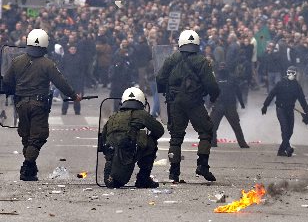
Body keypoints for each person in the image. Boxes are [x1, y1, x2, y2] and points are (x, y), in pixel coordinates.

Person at [3, 29, 82, 181]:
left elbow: (6, 81)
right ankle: (27, 167)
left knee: (26, 136)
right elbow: (61, 83)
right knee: (37, 137)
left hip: (20, 104)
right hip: (38, 104)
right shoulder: (48, 64)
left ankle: (31, 168)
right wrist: (73, 96)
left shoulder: (17, 61)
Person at [157, 29, 220, 183]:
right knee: (206, 131)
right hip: (194, 101)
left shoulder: (172, 58)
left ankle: (174, 171)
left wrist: (165, 92)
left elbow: (160, 78)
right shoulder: (202, 61)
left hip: (174, 102)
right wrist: (213, 96)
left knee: (176, 136)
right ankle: (202, 165)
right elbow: (211, 84)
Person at [101, 87, 164, 188]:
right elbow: (159, 130)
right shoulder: (141, 114)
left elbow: (103, 138)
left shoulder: (114, 116)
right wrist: (145, 139)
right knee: (150, 142)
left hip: (112, 152)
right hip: (129, 152)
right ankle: (143, 179)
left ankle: (112, 166)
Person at [261, 66, 308, 157]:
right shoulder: (280, 83)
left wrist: (307, 111)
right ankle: (287, 148)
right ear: (287, 73)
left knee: (290, 131)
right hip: (281, 109)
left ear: (296, 74)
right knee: (285, 129)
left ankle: (281, 150)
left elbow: (302, 99)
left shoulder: (297, 86)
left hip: (290, 110)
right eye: (289, 72)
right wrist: (265, 105)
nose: (291, 75)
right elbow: (271, 94)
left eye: (293, 73)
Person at [210, 63, 250, 148]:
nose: (222, 68)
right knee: (212, 125)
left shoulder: (232, 78)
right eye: (220, 67)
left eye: (223, 67)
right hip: (219, 105)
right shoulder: (215, 78)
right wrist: (211, 104)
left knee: (236, 126)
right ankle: (213, 142)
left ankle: (242, 143)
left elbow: (238, 91)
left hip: (230, 105)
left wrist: (242, 103)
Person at [60, 45, 85, 115]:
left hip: (76, 79)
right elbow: (61, 67)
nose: (73, 50)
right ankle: (64, 111)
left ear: (76, 50)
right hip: (67, 79)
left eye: (74, 49)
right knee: (65, 96)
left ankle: (77, 111)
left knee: (76, 96)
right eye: (71, 49)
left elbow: (82, 70)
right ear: (69, 50)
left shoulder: (79, 58)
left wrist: (81, 79)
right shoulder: (65, 57)